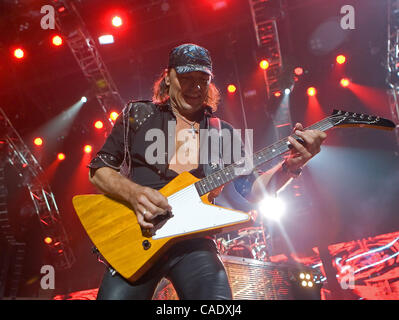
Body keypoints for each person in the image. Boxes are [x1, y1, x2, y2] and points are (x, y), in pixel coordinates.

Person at [87, 43, 327, 300]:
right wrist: (135, 194)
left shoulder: (221, 132)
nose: (196, 87)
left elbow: (253, 190)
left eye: (203, 79)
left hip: (194, 243)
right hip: (137, 234)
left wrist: (290, 166)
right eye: (187, 78)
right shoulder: (139, 114)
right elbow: (100, 169)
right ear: (168, 78)